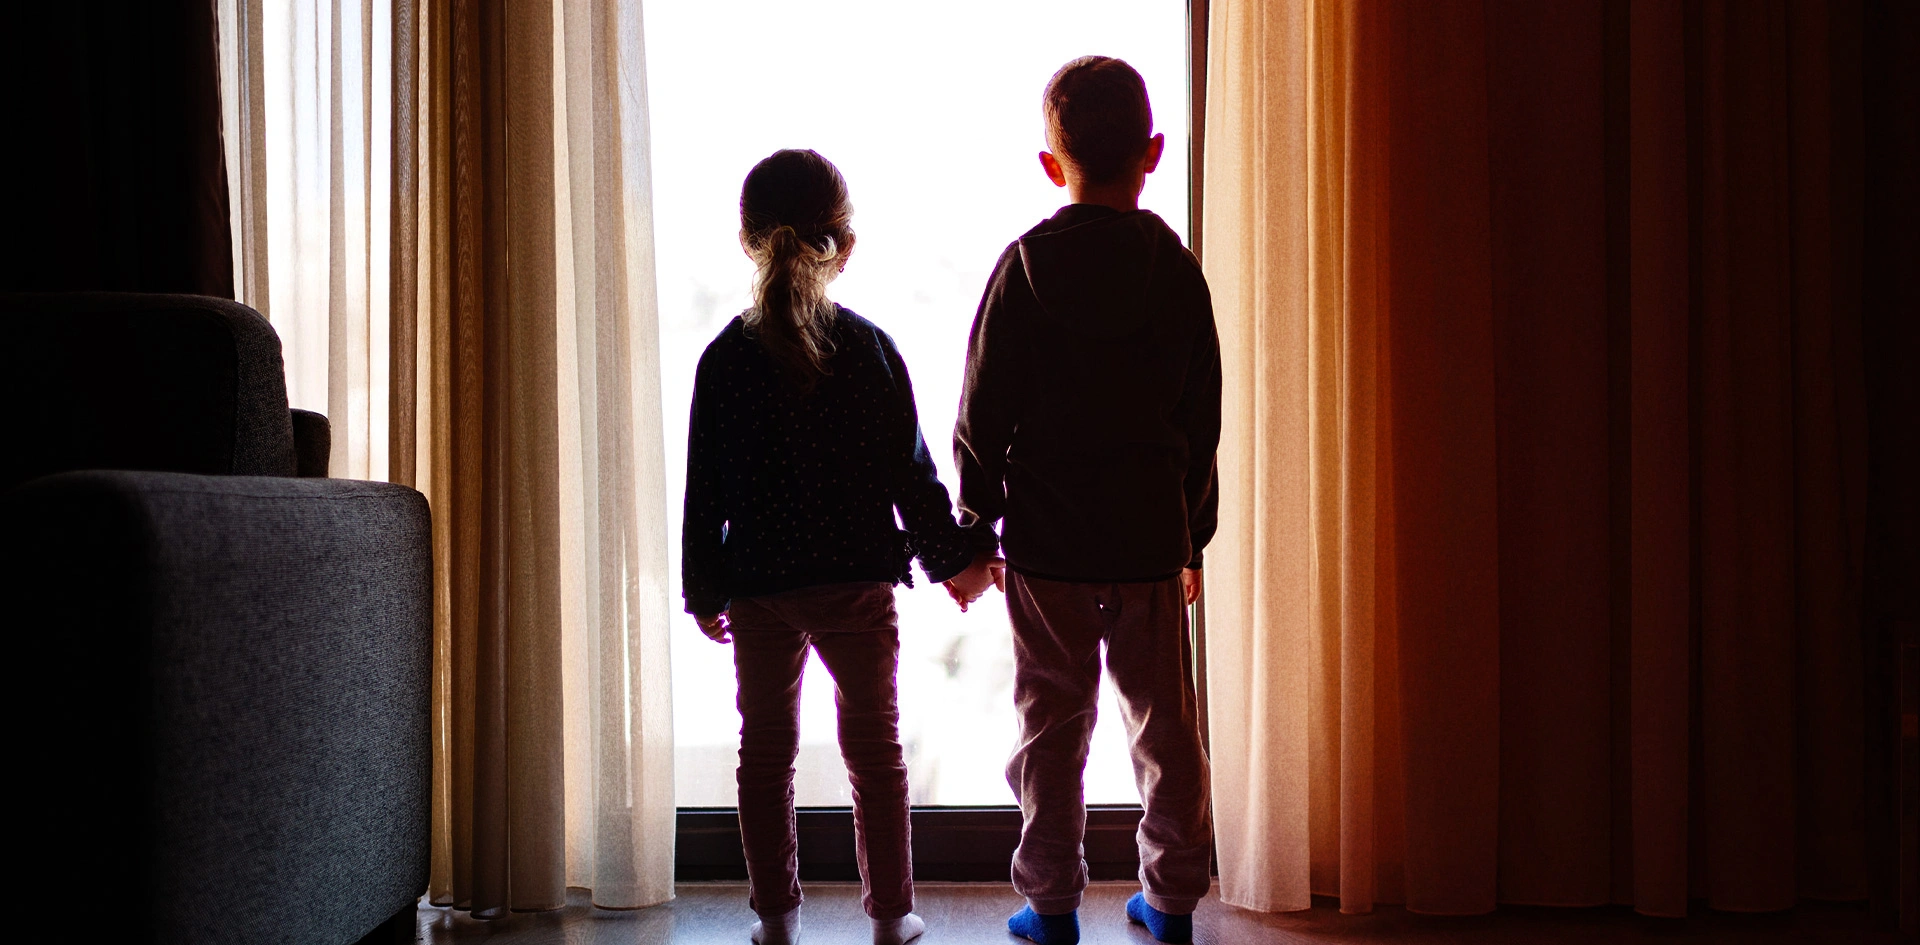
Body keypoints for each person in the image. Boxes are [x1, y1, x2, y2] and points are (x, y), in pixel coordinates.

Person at [683, 148, 1001, 945]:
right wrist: (957, 559)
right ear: (844, 245)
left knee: (766, 756)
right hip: (857, 585)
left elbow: (704, 493)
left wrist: (703, 588)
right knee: (875, 754)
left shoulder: (724, 359)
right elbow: (914, 479)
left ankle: (777, 917)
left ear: (748, 241)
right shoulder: (870, 350)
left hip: (760, 586)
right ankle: (892, 915)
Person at [948, 56, 1222, 945]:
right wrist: (1193, 538)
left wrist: (974, 524)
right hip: (1147, 539)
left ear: (1048, 163)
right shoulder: (1176, 273)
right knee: (1164, 729)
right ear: (1153, 152)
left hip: (1048, 544)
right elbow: (1200, 419)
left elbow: (981, 413)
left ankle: (1053, 903)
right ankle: (1173, 900)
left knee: (1051, 728)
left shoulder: (1025, 267)